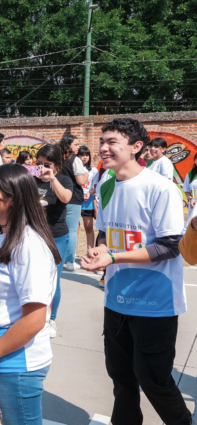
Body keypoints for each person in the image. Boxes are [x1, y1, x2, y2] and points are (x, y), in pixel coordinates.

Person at [80, 118, 190, 425]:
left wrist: (113, 258)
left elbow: (170, 246)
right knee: (121, 377)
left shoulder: (161, 188)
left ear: (136, 147)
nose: (103, 148)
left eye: (112, 142)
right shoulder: (106, 183)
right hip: (116, 300)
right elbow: (104, 234)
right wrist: (101, 249)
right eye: (102, 141)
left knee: (154, 379)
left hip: (155, 303)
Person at [0, 164, 60, 425]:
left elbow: (34, 320)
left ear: (13, 198)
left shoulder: (29, 246)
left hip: (15, 363)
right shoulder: (3, 235)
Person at [34, 145, 73, 339]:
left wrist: (52, 179)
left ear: (57, 164)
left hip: (57, 236)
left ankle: (51, 319)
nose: (41, 168)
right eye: (38, 164)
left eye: (46, 164)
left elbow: (65, 197)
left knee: (53, 280)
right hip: (34, 236)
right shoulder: (32, 179)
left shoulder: (63, 179)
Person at [58, 135, 89, 272]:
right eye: (75, 144)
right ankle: (70, 261)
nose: (78, 147)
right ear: (68, 145)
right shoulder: (74, 159)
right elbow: (81, 181)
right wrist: (86, 174)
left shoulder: (58, 158)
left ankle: (59, 257)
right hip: (73, 197)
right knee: (71, 230)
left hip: (59, 195)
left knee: (59, 227)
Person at [77, 146, 99, 258]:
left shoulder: (94, 170)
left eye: (86, 155)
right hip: (75, 200)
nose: (84, 157)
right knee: (75, 227)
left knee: (88, 228)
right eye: (82, 155)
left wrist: (89, 193)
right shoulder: (74, 169)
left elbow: (96, 188)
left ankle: (90, 253)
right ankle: (73, 254)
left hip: (88, 201)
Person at [182, 155, 197, 234]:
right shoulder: (191, 174)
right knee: (190, 227)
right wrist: (191, 199)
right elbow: (186, 190)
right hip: (193, 205)